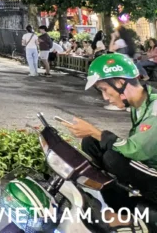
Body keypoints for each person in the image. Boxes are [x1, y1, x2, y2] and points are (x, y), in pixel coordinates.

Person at [67, 52, 157, 217]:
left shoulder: (155, 109)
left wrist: (96, 132)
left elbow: (137, 150)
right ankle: (117, 206)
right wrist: (94, 135)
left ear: (120, 82)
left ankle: (132, 210)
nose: (105, 97)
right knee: (90, 143)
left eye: (105, 89)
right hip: (149, 166)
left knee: (112, 158)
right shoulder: (139, 105)